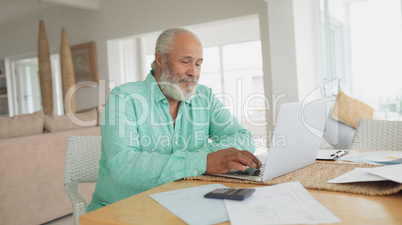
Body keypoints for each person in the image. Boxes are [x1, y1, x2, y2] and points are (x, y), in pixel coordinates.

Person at [87, 28, 261, 211]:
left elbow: (243, 138)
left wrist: (207, 158)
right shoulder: (124, 98)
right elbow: (123, 165)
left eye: (198, 64)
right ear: (160, 59)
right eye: (185, 61)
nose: (194, 72)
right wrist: (205, 161)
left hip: (182, 203)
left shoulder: (204, 97)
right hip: (123, 210)